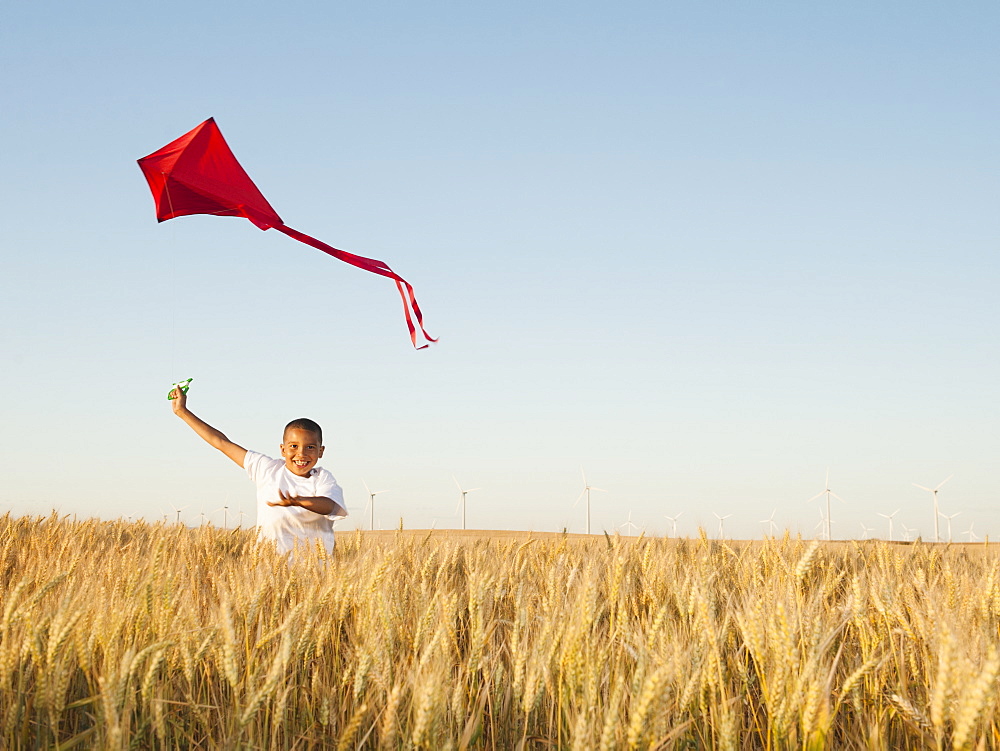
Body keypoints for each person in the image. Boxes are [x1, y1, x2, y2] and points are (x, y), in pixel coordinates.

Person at [169, 385, 348, 553]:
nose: (301, 454)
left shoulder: (323, 478)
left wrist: (299, 501)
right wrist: (182, 412)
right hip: (267, 566)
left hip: (312, 571)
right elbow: (221, 443)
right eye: (293, 446)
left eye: (310, 447)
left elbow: (329, 505)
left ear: (321, 451)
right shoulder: (267, 468)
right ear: (282, 449)